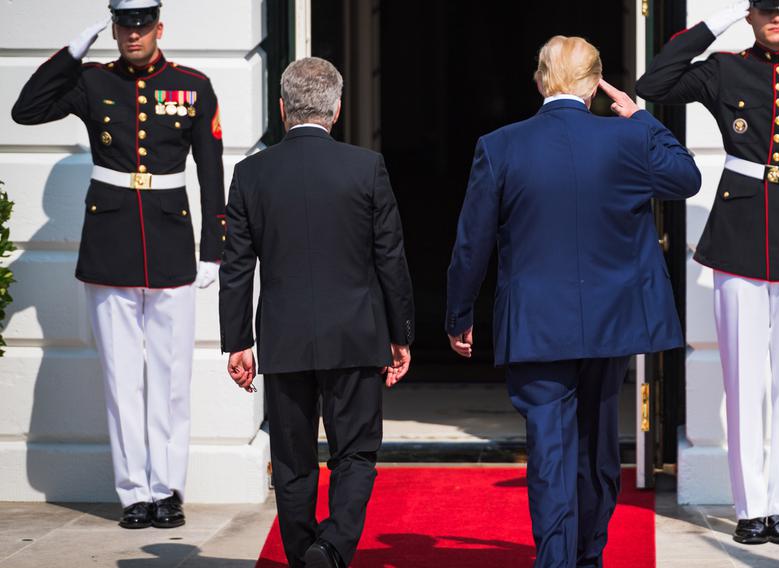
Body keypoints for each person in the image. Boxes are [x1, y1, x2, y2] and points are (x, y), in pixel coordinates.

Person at [445, 36, 701, 567]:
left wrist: (459, 314)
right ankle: (588, 556)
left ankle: (558, 560)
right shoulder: (627, 139)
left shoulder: (500, 145)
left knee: (550, 451)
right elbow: (686, 177)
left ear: (540, 80)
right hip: (609, 326)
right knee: (597, 448)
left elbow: (473, 242)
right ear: (594, 86)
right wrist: (642, 118)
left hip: (536, 326)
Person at [636, 0, 779, 546]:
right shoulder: (725, 68)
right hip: (738, 236)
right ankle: (750, 506)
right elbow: (654, 83)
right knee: (742, 382)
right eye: (764, 10)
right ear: (753, 14)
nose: (775, 18)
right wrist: (716, 22)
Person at [11, 0, 225, 529]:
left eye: (142, 25)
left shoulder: (193, 85)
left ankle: (169, 489)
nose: (133, 35)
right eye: (123, 26)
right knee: (121, 377)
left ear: (158, 27)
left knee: (171, 378)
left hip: (172, 243)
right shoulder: (91, 81)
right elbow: (26, 109)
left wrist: (214, 246)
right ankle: (134, 493)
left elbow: (212, 171)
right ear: (113, 29)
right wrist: (72, 51)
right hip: (109, 245)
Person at [219, 57, 415, 568]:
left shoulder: (250, 174)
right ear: (337, 109)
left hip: (283, 340)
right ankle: (330, 549)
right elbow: (390, 258)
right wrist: (402, 335)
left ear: (283, 109)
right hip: (355, 335)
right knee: (355, 452)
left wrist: (237, 341)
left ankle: (304, 552)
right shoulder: (365, 167)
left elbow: (236, 267)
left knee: (291, 459)